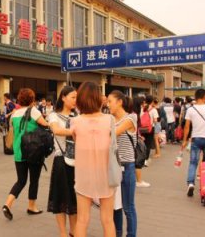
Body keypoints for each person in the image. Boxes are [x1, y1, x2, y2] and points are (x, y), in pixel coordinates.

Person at [71, 82, 116, 237]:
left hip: (84, 174)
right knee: (108, 220)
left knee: (82, 220)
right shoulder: (110, 119)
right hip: (106, 174)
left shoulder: (75, 121)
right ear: (98, 98)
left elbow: (77, 141)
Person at [2, 88, 49, 221]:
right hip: (34, 151)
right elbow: (45, 125)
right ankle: (31, 206)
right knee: (34, 180)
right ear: (32, 99)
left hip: (19, 151)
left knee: (21, 180)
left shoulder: (14, 114)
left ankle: (7, 204)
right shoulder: (34, 111)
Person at [47, 86, 78, 237]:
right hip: (61, 161)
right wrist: (75, 131)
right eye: (72, 97)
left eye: (76, 97)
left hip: (77, 163)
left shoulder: (77, 115)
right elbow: (56, 130)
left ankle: (74, 231)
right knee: (60, 200)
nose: (75, 100)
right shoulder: (54, 115)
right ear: (63, 97)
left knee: (74, 200)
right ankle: (63, 234)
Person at [108, 91, 138, 237]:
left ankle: (131, 235)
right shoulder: (109, 119)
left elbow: (114, 133)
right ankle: (117, 234)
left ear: (120, 102)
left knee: (128, 207)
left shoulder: (131, 118)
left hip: (127, 167)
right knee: (116, 206)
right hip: (113, 167)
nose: (108, 105)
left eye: (110, 101)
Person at [182, 89, 205, 197]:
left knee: (193, 163)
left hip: (195, 139)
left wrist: (184, 140)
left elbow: (187, 127)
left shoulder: (191, 109)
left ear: (196, 97)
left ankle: (191, 183)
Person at [133, 97, 150, 188]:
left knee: (136, 160)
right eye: (142, 103)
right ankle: (138, 181)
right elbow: (135, 128)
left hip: (135, 138)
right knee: (138, 160)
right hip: (133, 139)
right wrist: (137, 135)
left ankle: (137, 180)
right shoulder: (134, 114)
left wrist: (138, 135)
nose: (144, 105)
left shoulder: (135, 113)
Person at [141, 95, 158, 166]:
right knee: (148, 144)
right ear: (152, 101)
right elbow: (155, 121)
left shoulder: (142, 108)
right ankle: (145, 160)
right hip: (150, 129)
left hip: (142, 128)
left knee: (142, 143)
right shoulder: (153, 110)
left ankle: (141, 159)